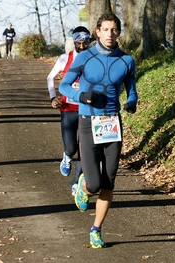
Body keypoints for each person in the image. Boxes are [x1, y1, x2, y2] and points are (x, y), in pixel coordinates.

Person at [59, 12, 138, 249]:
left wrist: (132, 101)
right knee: (93, 185)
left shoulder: (127, 60)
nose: (110, 34)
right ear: (98, 31)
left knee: (109, 182)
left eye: (114, 30)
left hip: (113, 124)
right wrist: (81, 95)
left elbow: (132, 89)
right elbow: (64, 85)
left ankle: (96, 229)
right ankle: (83, 188)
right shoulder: (84, 57)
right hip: (88, 121)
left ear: (119, 32)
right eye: (106, 29)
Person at [47, 26, 91, 195]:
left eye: (85, 43)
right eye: (79, 43)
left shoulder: (93, 58)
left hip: (87, 108)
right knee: (72, 148)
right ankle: (67, 156)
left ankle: (76, 182)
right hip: (68, 108)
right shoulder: (65, 58)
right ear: (74, 42)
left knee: (85, 148)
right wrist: (53, 97)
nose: (82, 46)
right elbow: (50, 77)